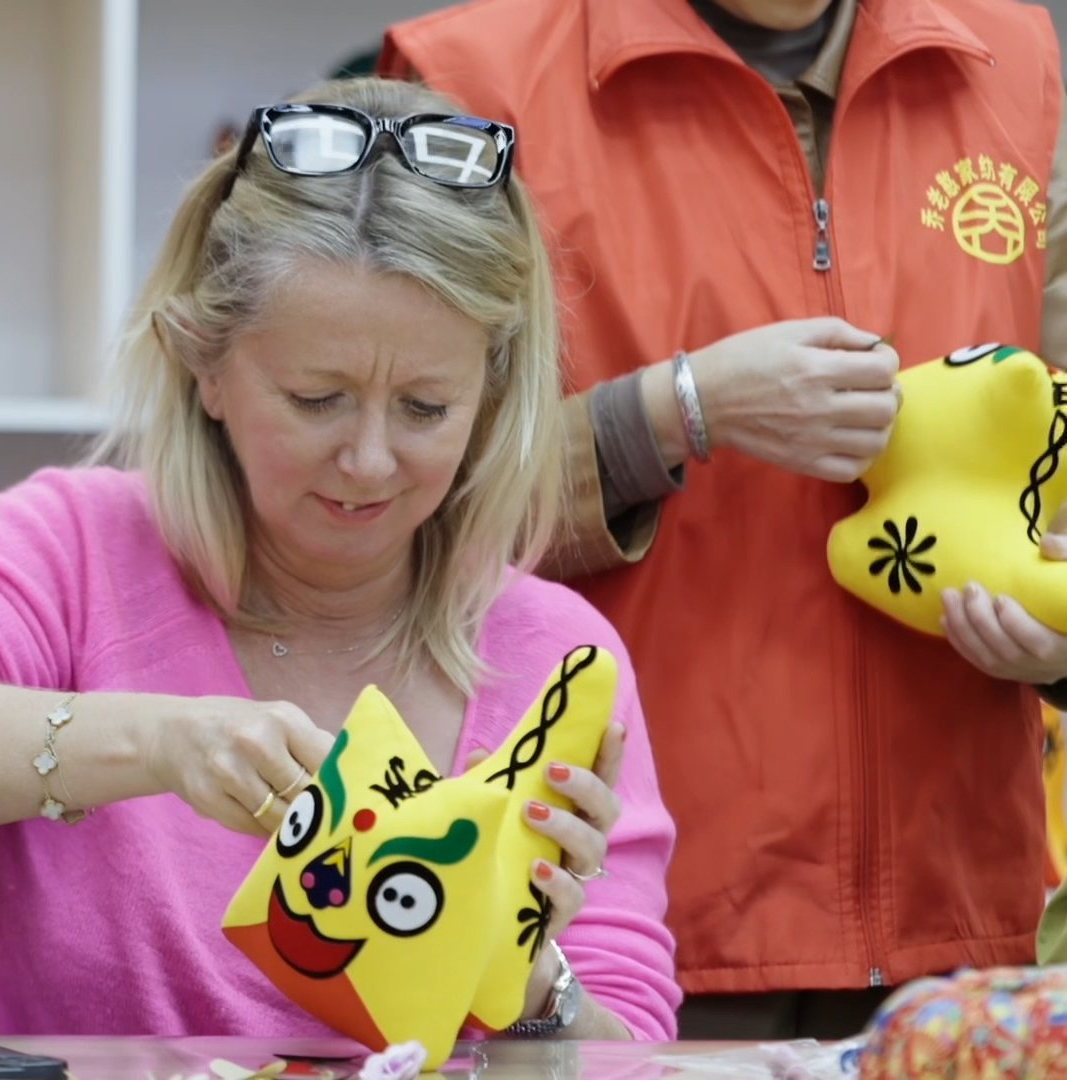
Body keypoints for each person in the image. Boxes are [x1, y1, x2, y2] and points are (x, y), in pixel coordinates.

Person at [0, 77, 680, 1041]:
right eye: (315, 399)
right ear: (203, 363)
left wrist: (529, 981)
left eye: (426, 408)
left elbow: (635, 1047)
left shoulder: (556, 654)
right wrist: (157, 745)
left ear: (492, 397)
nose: (369, 460)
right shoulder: (72, 551)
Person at [380, 0, 1065, 1039]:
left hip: (965, 927)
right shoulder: (474, 77)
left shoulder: (1009, 54)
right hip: (619, 932)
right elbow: (391, 509)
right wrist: (673, 412)